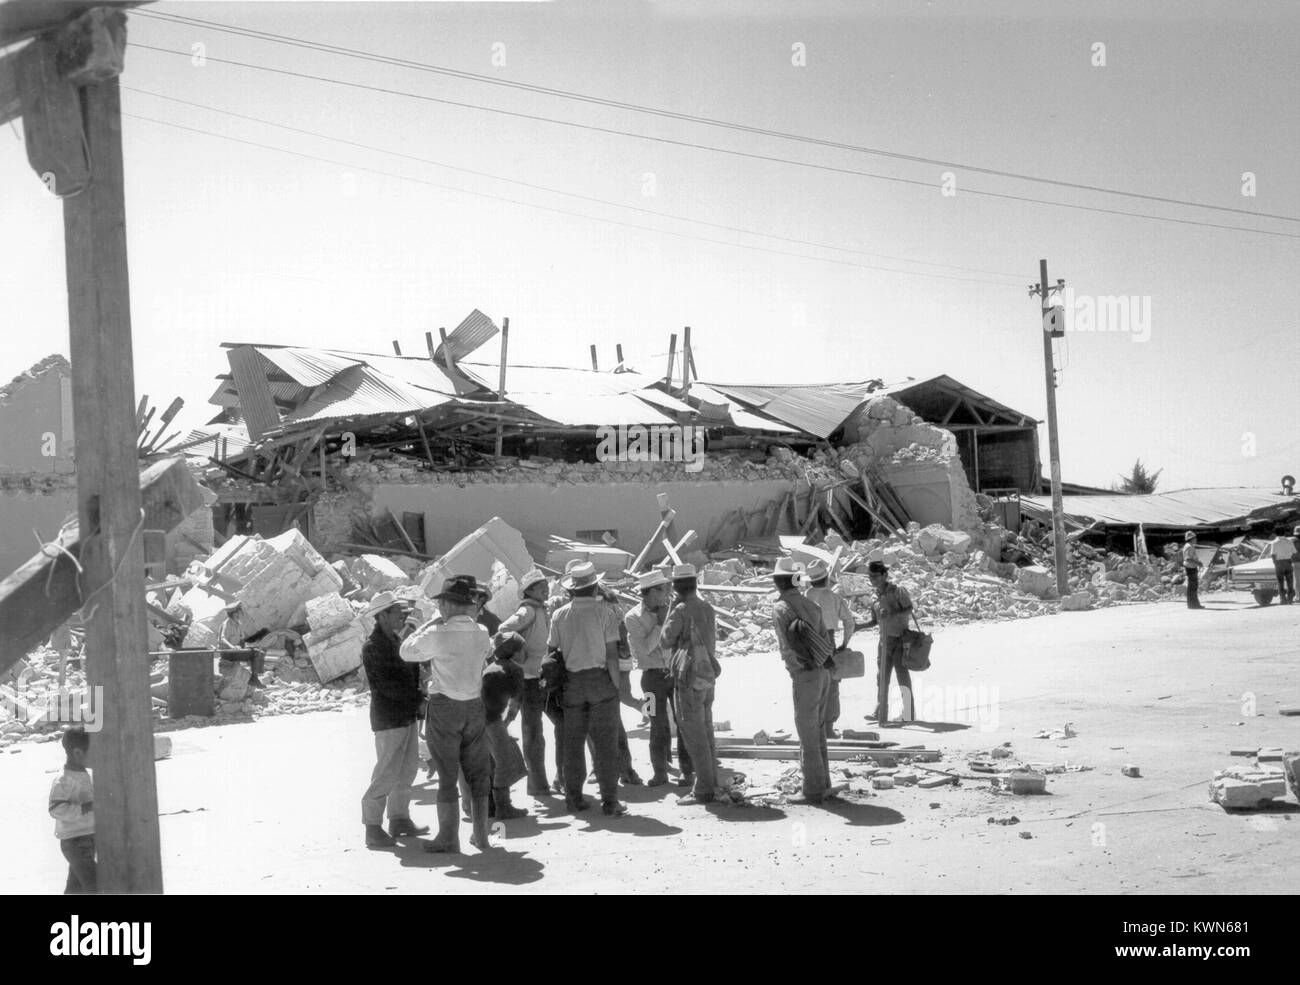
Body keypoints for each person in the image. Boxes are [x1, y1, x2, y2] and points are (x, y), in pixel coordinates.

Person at [401, 574, 494, 853]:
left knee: (447, 775)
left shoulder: (436, 633)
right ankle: (481, 835)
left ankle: (448, 837)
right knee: (478, 774)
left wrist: (429, 624)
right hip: (474, 706)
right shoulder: (482, 632)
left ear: (449, 605)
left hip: (445, 707)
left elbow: (407, 651)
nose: (440, 609)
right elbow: (487, 652)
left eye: (442, 604)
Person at [547, 560, 628, 816]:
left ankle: (574, 798)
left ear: (571, 590)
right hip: (601, 680)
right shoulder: (605, 613)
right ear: (595, 587)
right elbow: (613, 655)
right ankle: (610, 800)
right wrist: (616, 687)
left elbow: (553, 650)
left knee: (573, 744)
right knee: (605, 743)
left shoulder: (559, 615)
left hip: (572, 684)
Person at [359, 591, 429, 848]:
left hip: (405, 715)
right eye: (398, 613)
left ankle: (399, 818)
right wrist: (418, 699)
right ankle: (372, 826)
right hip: (390, 718)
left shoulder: (395, 642)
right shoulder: (374, 648)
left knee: (406, 770)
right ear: (383, 616)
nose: (403, 617)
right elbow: (390, 687)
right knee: (387, 772)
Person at [771, 558, 833, 804]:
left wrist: (795, 668)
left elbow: (787, 648)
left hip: (804, 674)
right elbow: (824, 637)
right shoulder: (811, 605)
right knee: (818, 729)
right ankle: (823, 781)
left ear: (777, 582)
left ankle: (813, 789)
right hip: (822, 670)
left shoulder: (781, 609)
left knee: (807, 733)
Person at [499, 569, 564, 796]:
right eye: (539, 587)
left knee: (553, 727)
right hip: (529, 680)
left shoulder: (541, 610)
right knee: (534, 732)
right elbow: (504, 630)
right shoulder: (528, 610)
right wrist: (521, 651)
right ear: (529, 591)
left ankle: (554, 780)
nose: (545, 589)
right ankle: (537, 784)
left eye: (545, 585)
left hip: (541, 678)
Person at [661, 563, 720, 806]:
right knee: (706, 730)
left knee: (694, 734)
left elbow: (665, 639)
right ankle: (711, 782)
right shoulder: (706, 607)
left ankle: (704, 789)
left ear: (676, 588)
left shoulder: (681, 610)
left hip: (689, 678)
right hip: (707, 675)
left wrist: (670, 611)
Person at [624, 567, 684, 786]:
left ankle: (686, 769)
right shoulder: (633, 617)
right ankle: (659, 771)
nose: (665, 594)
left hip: (674, 674)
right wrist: (659, 623)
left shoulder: (672, 609)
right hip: (650, 678)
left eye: (666, 588)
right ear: (649, 592)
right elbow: (646, 649)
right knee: (656, 725)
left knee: (682, 721)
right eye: (661, 590)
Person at [478, 631, 529, 820]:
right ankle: (503, 806)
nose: (525, 652)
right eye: (522, 649)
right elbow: (515, 703)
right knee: (504, 761)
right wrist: (505, 725)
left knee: (492, 762)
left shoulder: (493, 666)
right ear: (514, 653)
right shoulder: (514, 670)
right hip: (492, 720)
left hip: (480, 719)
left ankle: (491, 806)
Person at [804, 559, 855, 739]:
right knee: (831, 685)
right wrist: (844, 644)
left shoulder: (805, 598)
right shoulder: (834, 598)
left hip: (808, 642)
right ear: (826, 578)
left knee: (812, 684)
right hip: (829, 641)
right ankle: (828, 727)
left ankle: (813, 726)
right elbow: (849, 622)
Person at [863, 560, 915, 725]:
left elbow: (909, 609)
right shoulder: (874, 596)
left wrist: (892, 614)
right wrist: (857, 626)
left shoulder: (898, 591)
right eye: (870, 577)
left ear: (885, 575)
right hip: (884, 641)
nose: (873, 580)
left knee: (902, 675)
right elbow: (874, 621)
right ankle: (881, 709)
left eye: (876, 576)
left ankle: (908, 712)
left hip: (900, 639)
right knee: (882, 677)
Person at [49, 727, 96, 894]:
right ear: (78, 753)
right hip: (74, 841)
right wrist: (85, 808)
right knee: (94, 884)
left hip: (87, 837)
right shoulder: (63, 780)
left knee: (76, 888)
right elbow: (56, 809)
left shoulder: (83, 774)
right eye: (93, 751)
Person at [1270, 526, 1297, 604]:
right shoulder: (1289, 542)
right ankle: (1290, 599)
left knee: (1280, 582)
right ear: (1284, 533)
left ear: (1276, 534)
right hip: (1288, 562)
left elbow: (1273, 555)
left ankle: (1283, 599)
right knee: (1290, 581)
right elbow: (1294, 552)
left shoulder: (1274, 543)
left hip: (1279, 562)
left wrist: (1275, 563)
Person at [1183, 531, 1205, 609]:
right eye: (1194, 538)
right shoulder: (1189, 546)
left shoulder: (1189, 546)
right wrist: (1198, 562)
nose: (1196, 539)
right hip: (1190, 567)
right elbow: (1188, 558)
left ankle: (1193, 604)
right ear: (1191, 539)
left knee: (1193, 585)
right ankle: (1193, 604)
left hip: (1191, 566)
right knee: (1193, 586)